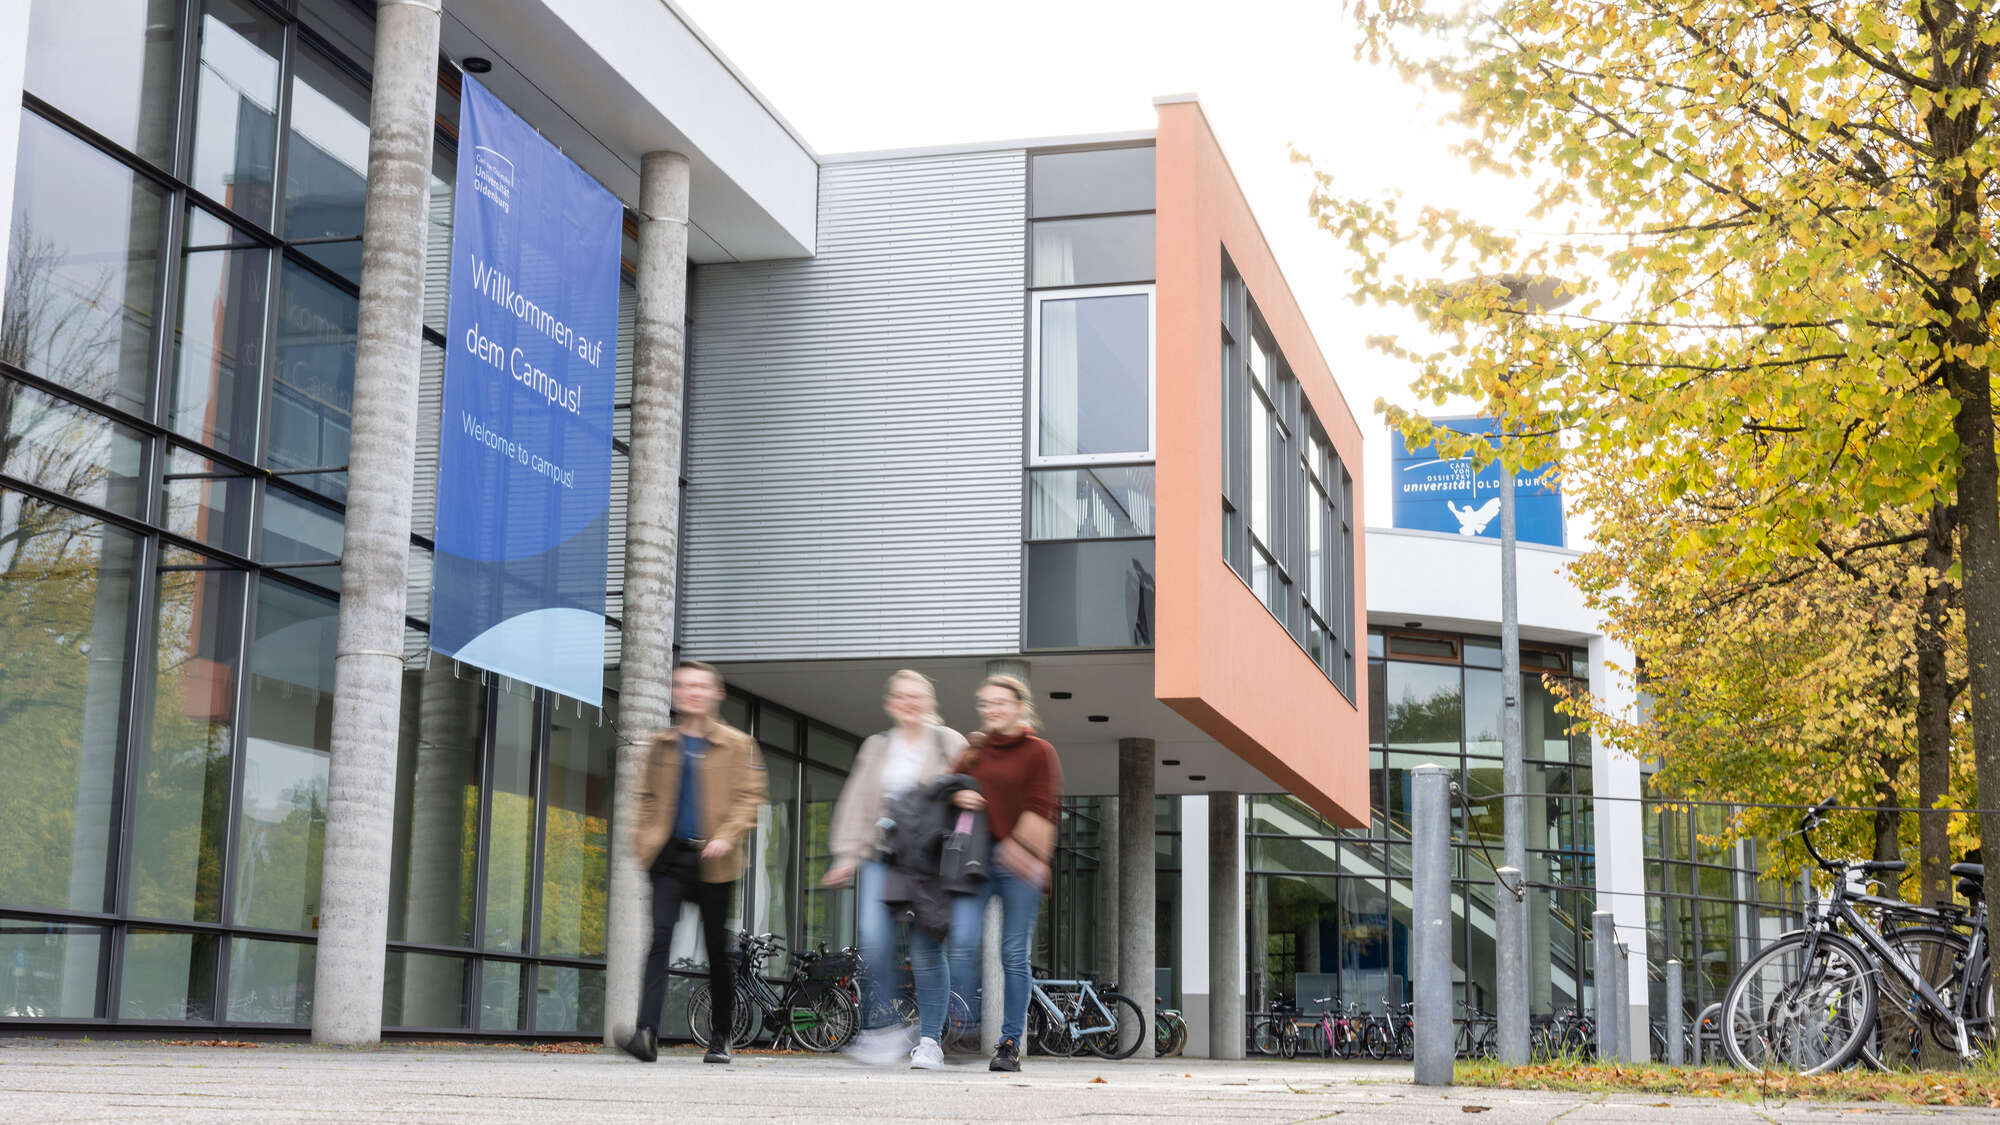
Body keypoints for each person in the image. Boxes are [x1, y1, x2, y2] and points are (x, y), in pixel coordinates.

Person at [617, 660, 768, 1064]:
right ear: (675, 693)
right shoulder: (663, 745)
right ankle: (646, 1033)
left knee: (717, 950)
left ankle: (721, 1036)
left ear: (716, 693)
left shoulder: (739, 745)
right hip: (668, 857)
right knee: (659, 940)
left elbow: (750, 798)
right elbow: (646, 798)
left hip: (715, 860)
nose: (691, 692)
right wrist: (645, 841)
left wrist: (725, 836)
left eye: (700, 686)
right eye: (683, 686)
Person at [824, 670, 968, 1069]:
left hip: (930, 862)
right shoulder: (876, 746)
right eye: (902, 696)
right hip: (883, 856)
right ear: (890, 703)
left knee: (926, 951)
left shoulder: (948, 742)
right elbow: (857, 802)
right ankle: (884, 1030)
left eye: (917, 695)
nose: (909, 702)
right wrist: (845, 854)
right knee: (875, 937)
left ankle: (929, 1042)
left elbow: (970, 790)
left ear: (930, 701)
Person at [948, 674, 1062, 1073]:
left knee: (1013, 954)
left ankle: (1010, 1042)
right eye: (986, 703)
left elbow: (1044, 804)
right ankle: (962, 1024)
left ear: (1019, 706)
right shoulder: (974, 750)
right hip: (977, 860)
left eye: (1000, 702)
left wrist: (1021, 845)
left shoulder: (1039, 751)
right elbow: (946, 787)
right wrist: (957, 794)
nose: (992, 709)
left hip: (1022, 862)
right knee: (961, 939)